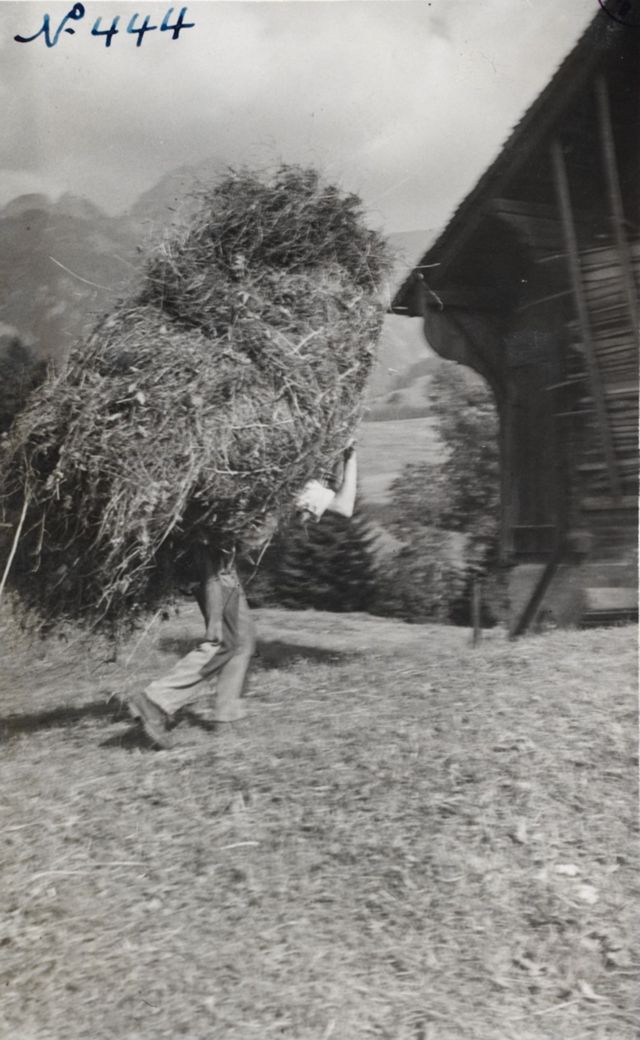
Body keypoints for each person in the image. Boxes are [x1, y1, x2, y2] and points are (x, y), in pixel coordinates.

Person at [127, 441, 357, 749]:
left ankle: (227, 716)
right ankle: (155, 702)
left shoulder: (278, 467)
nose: (310, 518)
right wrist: (351, 455)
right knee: (225, 641)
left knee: (243, 638)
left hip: (209, 555)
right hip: (212, 560)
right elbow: (345, 505)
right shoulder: (302, 483)